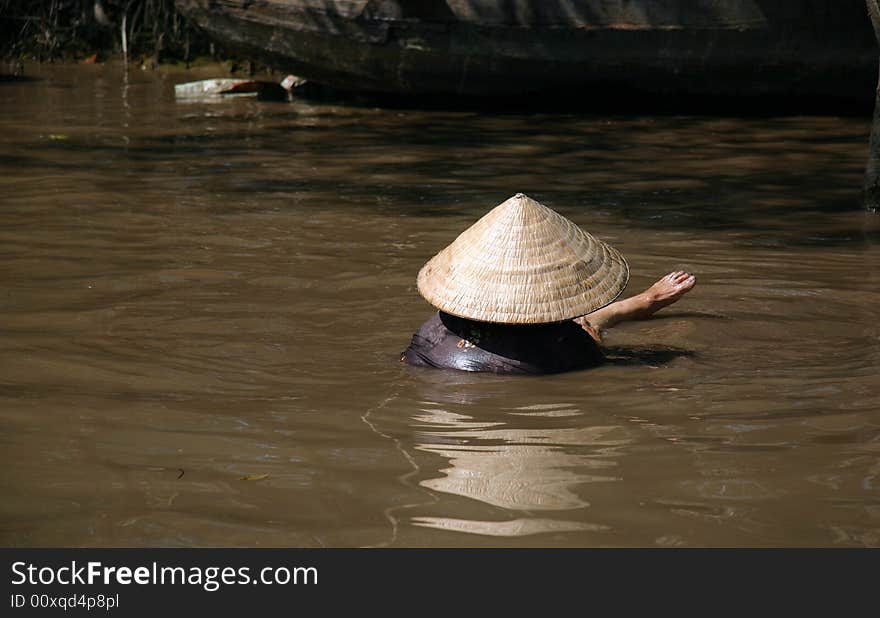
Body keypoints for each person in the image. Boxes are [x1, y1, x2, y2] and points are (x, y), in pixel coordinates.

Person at [401, 193, 696, 374]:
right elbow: (614, 363)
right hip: (544, 352)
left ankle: (639, 303)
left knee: (582, 325)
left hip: (452, 366)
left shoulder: (434, 329)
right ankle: (644, 302)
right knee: (588, 326)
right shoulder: (565, 345)